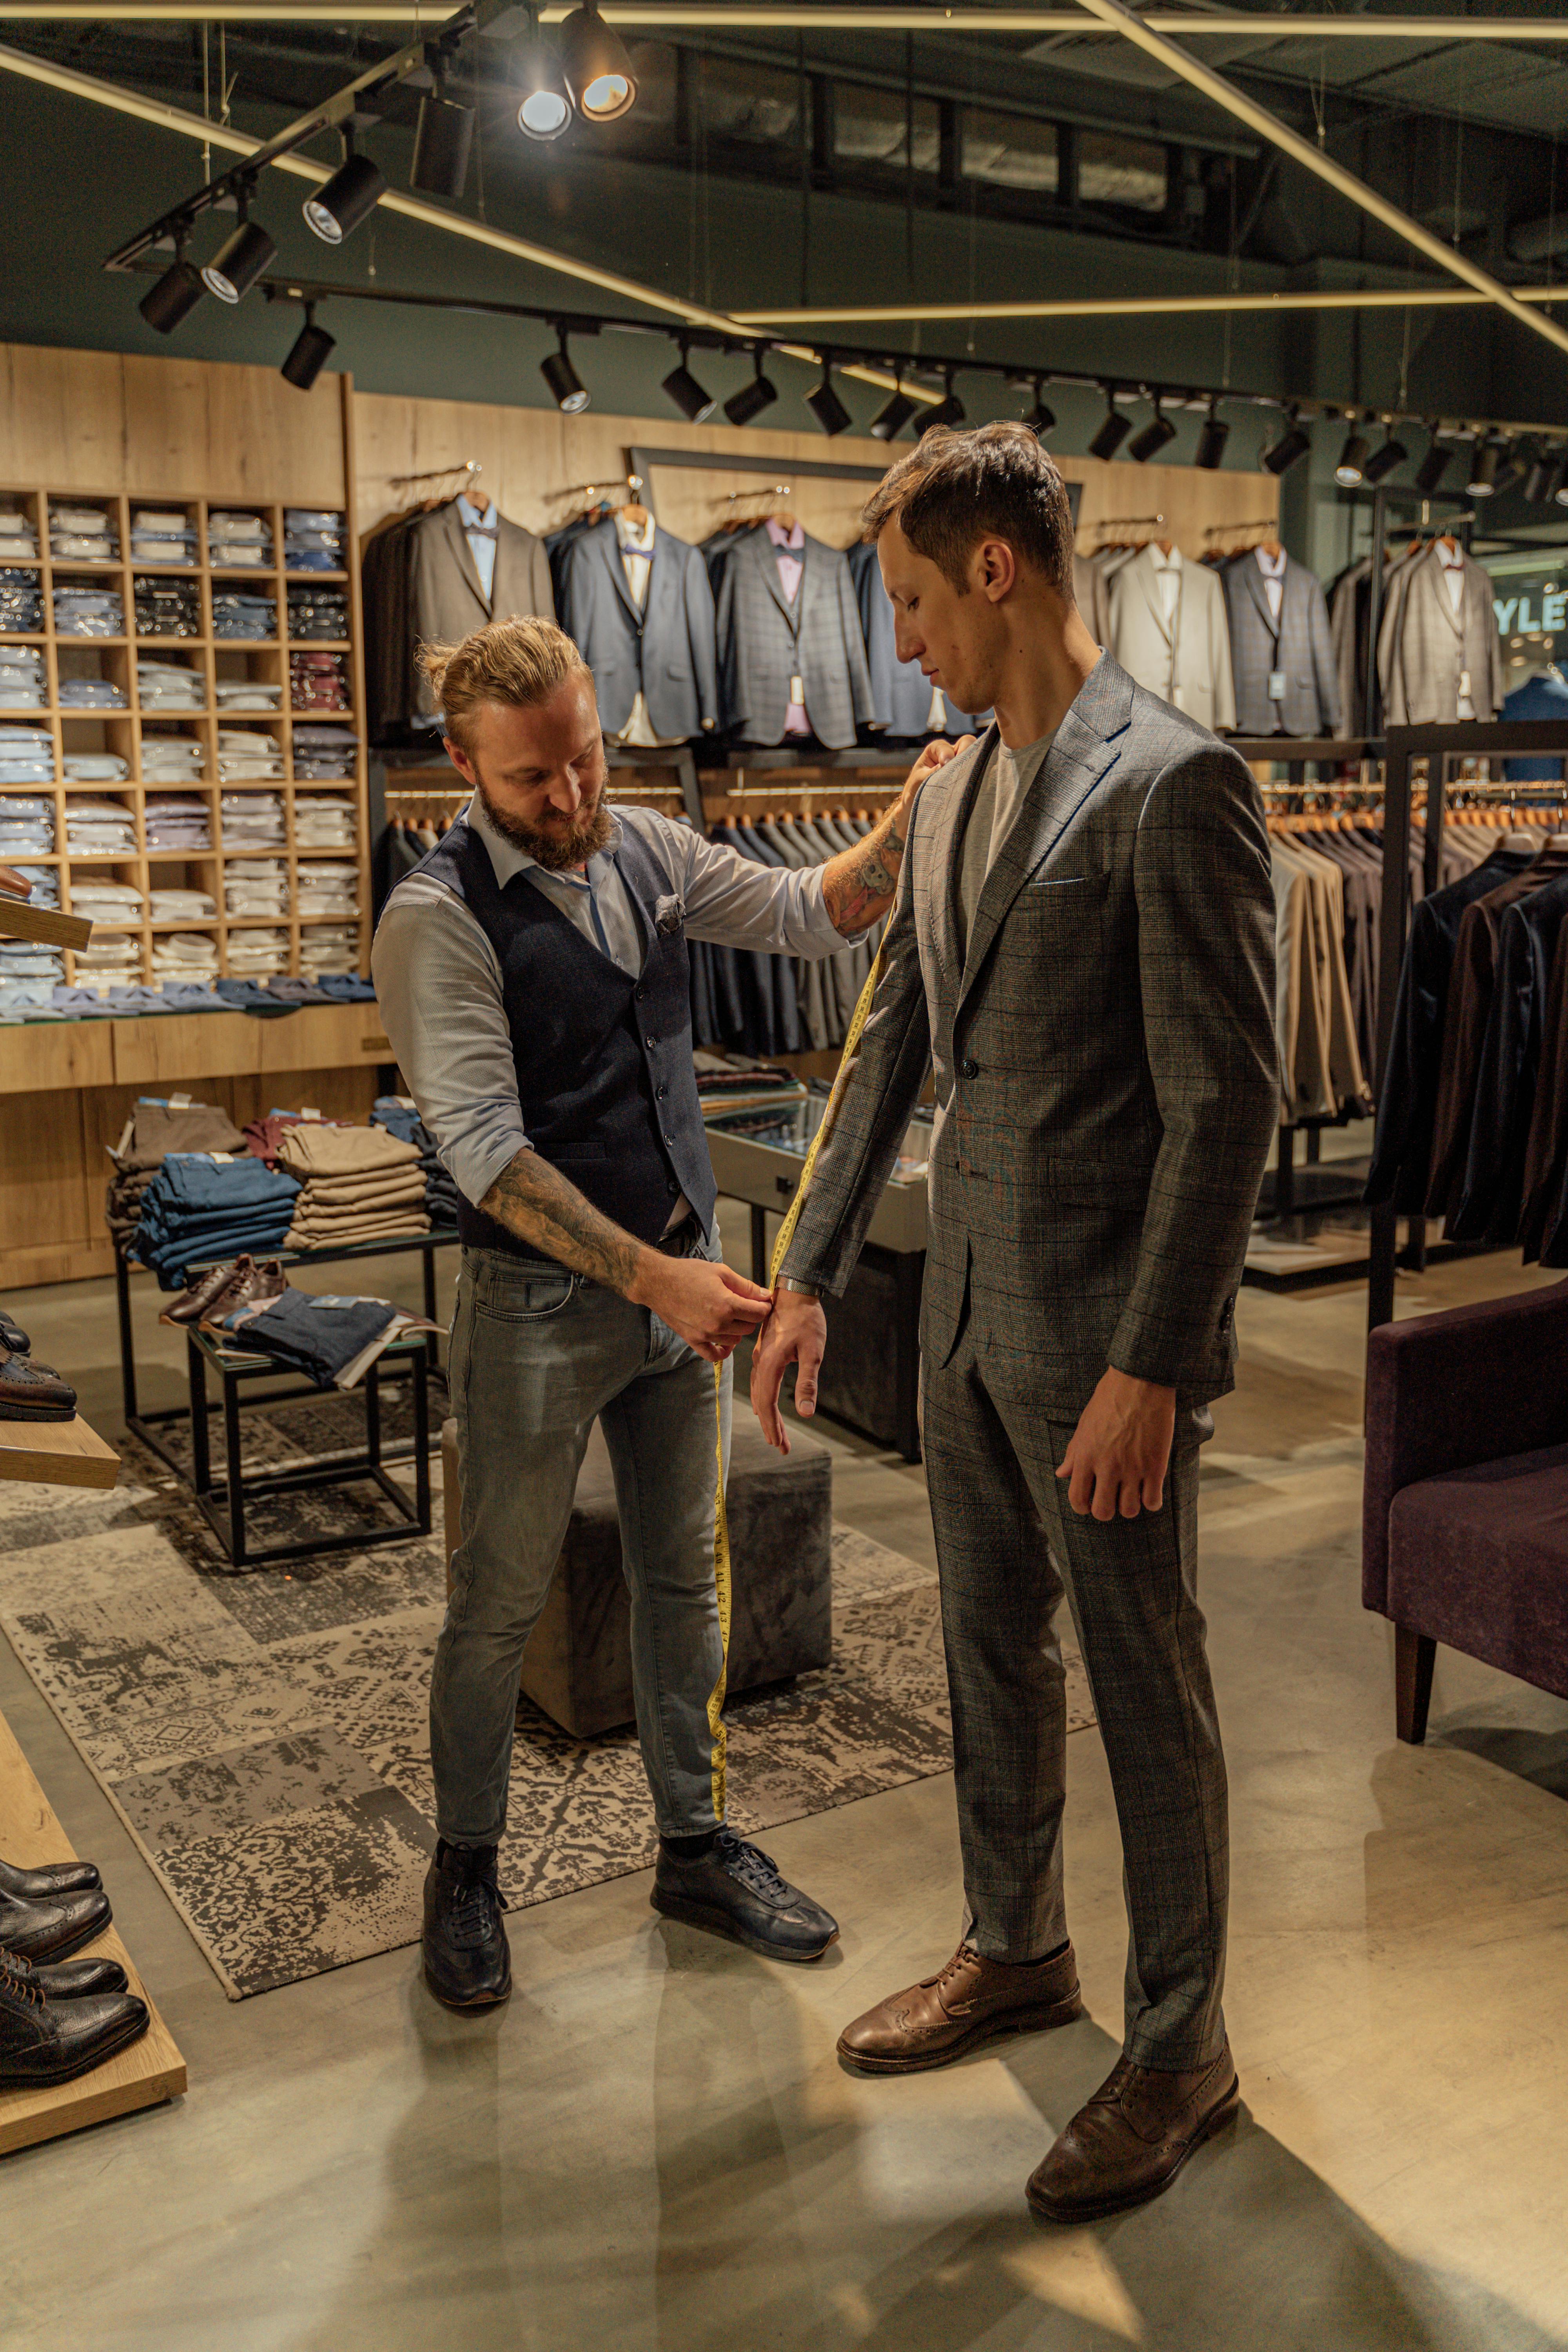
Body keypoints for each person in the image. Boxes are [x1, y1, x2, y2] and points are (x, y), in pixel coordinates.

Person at [751, 425, 1278, 2223]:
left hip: (1105, 1347)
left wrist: (1156, 1363)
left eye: (909, 600)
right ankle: (1016, 1946)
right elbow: (889, 1040)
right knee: (991, 1657)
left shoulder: (1175, 783)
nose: (898, 643)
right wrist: (811, 1271)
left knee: (1146, 1683)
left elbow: (1226, 1105)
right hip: (964, 1318)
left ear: (995, 571)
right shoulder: (959, 785)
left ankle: (1185, 2041)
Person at [373, 614, 958, 2010]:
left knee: (685, 1579)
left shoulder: (639, 844)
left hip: (672, 1299)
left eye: (584, 760)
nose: (572, 800)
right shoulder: (434, 920)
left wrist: (909, 815)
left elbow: (813, 911)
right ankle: (467, 1866)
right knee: (498, 1601)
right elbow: (486, 1154)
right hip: (534, 1309)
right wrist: (658, 1277)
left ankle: (692, 1844)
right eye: (535, 782)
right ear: (463, 765)